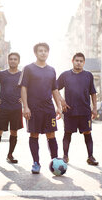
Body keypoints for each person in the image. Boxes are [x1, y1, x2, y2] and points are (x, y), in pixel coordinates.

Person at [18, 43, 62, 174]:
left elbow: (54, 89)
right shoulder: (28, 68)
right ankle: (36, 162)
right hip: (33, 108)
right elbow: (23, 88)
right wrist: (25, 107)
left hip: (48, 108)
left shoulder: (51, 70)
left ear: (48, 53)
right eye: (40, 51)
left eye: (45, 51)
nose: (43, 53)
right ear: (36, 53)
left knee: (51, 134)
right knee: (34, 134)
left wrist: (58, 106)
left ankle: (55, 161)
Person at [57, 53, 98, 166]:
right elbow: (54, 88)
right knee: (67, 133)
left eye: (81, 61)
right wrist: (61, 100)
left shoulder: (88, 75)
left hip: (85, 111)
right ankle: (65, 156)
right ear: (72, 61)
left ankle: (90, 157)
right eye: (77, 60)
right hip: (69, 110)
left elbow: (93, 93)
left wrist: (94, 108)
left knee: (87, 133)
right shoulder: (65, 75)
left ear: (84, 63)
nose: (79, 63)